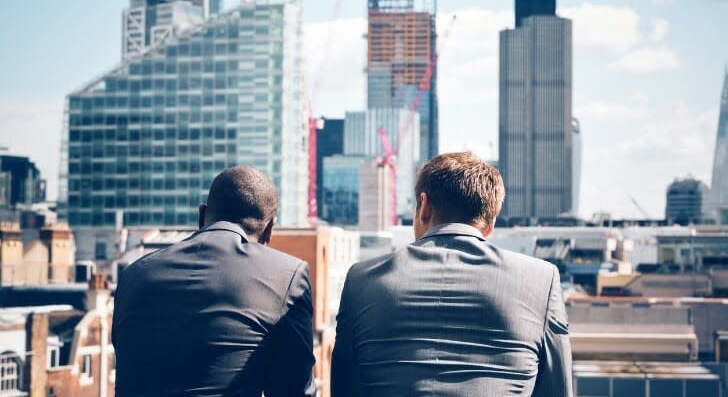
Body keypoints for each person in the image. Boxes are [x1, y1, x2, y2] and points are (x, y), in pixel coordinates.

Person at [331, 151, 572, 396]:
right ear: (490, 225)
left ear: (423, 207)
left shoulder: (362, 280)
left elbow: (343, 388)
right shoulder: (541, 280)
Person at [113, 166, 317, 397]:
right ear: (269, 229)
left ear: (202, 215)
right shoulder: (286, 275)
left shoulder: (134, 275)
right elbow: (294, 391)